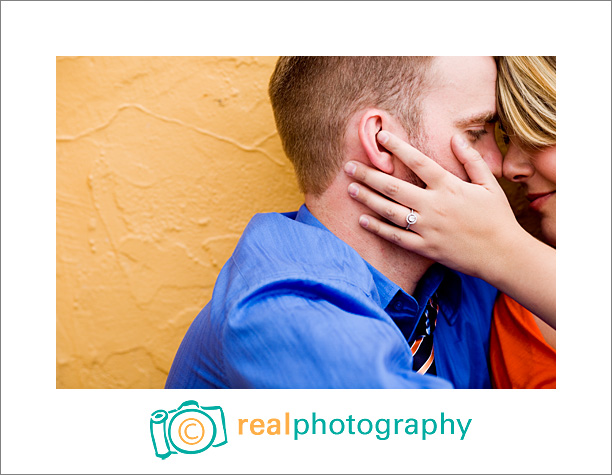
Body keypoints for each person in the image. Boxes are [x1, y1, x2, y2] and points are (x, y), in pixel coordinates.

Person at [166, 56, 504, 389]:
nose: (498, 164)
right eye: (476, 132)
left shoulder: (469, 270)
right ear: (381, 141)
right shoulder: (282, 312)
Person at [344, 56, 556, 388]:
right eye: (503, 135)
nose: (509, 167)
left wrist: (504, 250)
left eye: (539, 131)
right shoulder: (509, 310)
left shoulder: (507, 273)